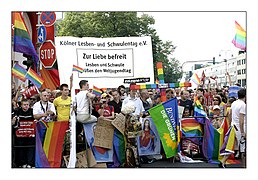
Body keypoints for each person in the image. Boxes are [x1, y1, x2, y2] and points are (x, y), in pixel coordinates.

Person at [220, 88, 246, 168]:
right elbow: (241, 120)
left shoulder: (234, 103)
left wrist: (230, 124)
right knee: (243, 148)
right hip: (240, 128)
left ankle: (223, 161)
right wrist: (242, 132)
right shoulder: (243, 105)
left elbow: (230, 114)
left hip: (233, 126)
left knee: (231, 146)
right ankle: (245, 166)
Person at [12, 99, 35, 168]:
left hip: (30, 133)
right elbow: (14, 120)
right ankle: (22, 163)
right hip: (20, 134)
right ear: (21, 105)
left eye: (27, 105)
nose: (26, 106)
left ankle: (30, 163)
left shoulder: (32, 111)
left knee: (30, 148)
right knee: (21, 149)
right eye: (24, 105)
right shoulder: (17, 111)